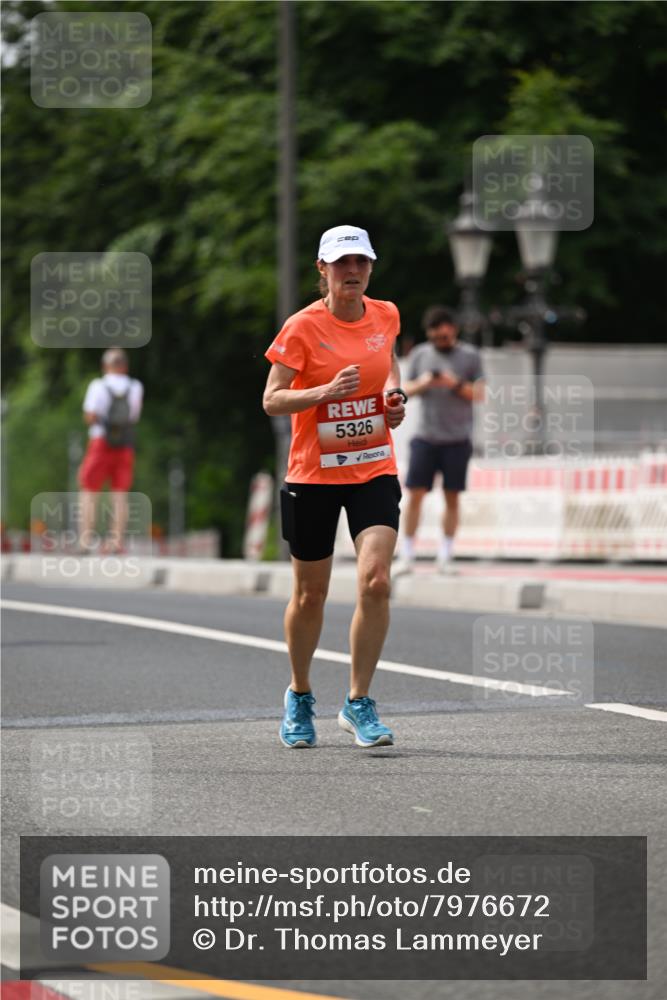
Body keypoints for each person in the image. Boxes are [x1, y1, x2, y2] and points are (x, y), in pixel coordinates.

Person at [263, 225, 407, 749]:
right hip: (313, 475)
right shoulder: (301, 327)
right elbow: (272, 400)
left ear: (370, 267)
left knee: (376, 582)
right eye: (341, 264)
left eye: (361, 263)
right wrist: (324, 390)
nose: (352, 272)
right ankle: (300, 695)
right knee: (311, 594)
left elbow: (388, 365)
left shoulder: (386, 314)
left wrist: (392, 397)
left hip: (372, 466)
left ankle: (359, 701)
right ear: (321, 269)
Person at [397, 306, 484, 573]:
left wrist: (453, 384)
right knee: (414, 496)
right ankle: (407, 554)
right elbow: (405, 389)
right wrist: (424, 382)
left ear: (453, 331)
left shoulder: (470, 356)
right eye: (436, 337)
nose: (440, 342)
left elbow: (479, 393)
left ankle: (445, 555)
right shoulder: (421, 354)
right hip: (426, 436)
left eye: (444, 337)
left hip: (457, 438)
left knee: (452, 497)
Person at [77, 347, 143, 554]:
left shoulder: (98, 385)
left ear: (106, 366)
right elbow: (134, 417)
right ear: (125, 366)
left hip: (100, 442)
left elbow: (90, 415)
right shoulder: (135, 386)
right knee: (120, 493)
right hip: (125, 444)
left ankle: (86, 540)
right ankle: (116, 542)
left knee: (89, 490)